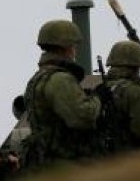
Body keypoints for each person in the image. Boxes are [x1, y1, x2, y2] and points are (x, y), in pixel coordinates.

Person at [21, 19, 101, 169]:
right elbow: (82, 117)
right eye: (73, 46)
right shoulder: (60, 79)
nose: (75, 51)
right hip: (65, 164)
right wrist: (97, 99)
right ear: (66, 47)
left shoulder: (39, 77)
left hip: (46, 161)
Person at [99, 41, 140, 153]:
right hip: (133, 159)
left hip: (103, 158)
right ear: (137, 67)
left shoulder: (100, 90)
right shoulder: (137, 93)